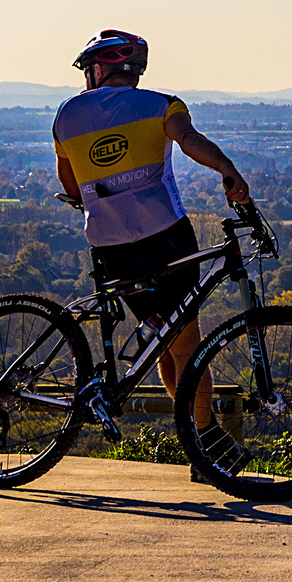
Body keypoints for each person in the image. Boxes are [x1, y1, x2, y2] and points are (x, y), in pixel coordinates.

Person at [52, 28, 250, 475]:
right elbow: (190, 141)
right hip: (164, 237)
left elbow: (70, 183)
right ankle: (207, 444)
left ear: (99, 68)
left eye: (88, 70)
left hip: (110, 247)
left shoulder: (66, 116)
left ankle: (199, 440)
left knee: (163, 343)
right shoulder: (162, 104)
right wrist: (228, 169)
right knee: (186, 344)